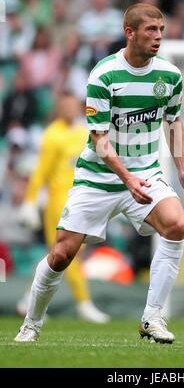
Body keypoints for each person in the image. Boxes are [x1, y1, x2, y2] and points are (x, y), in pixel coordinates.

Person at [14, 3, 184, 344]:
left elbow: (173, 123)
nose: (158, 36)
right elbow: (99, 140)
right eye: (150, 30)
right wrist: (126, 179)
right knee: (61, 254)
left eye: (161, 29)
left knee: (176, 224)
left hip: (145, 173)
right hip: (98, 178)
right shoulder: (104, 75)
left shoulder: (170, 76)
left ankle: (152, 317)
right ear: (129, 33)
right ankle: (31, 323)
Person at [17, 92, 110, 323]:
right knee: (66, 254)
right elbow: (41, 171)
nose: (69, 109)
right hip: (58, 203)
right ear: (59, 108)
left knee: (60, 255)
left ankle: (29, 299)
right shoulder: (52, 135)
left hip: (81, 198)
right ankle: (84, 303)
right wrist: (30, 201)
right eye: (65, 105)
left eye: (72, 105)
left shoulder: (83, 132)